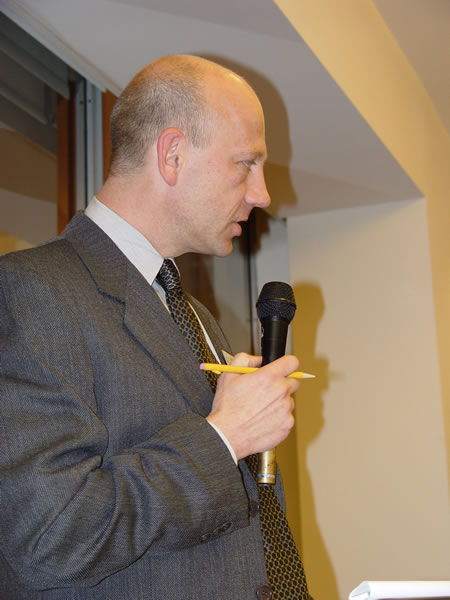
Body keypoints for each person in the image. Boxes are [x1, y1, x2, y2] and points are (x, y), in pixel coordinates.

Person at [0, 55, 310, 599]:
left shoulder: (195, 316)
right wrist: (223, 436)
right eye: (246, 164)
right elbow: (50, 537)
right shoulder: (30, 291)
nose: (262, 194)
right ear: (172, 155)